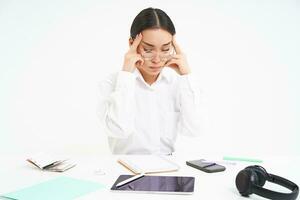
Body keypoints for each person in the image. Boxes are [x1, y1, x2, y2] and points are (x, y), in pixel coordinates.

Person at [98, 7, 200, 155]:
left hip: (167, 168)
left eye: (165, 49)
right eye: (148, 49)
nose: (157, 59)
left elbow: (194, 130)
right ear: (132, 44)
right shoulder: (112, 83)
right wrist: (126, 74)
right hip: (125, 169)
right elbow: (118, 130)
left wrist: (187, 76)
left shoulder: (178, 83)